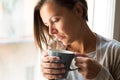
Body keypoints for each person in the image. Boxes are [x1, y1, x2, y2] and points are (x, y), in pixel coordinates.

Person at [34, 0, 120, 80]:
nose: (51, 32)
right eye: (47, 25)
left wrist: (101, 75)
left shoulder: (114, 52)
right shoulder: (53, 49)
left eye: (55, 20)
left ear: (78, 10)